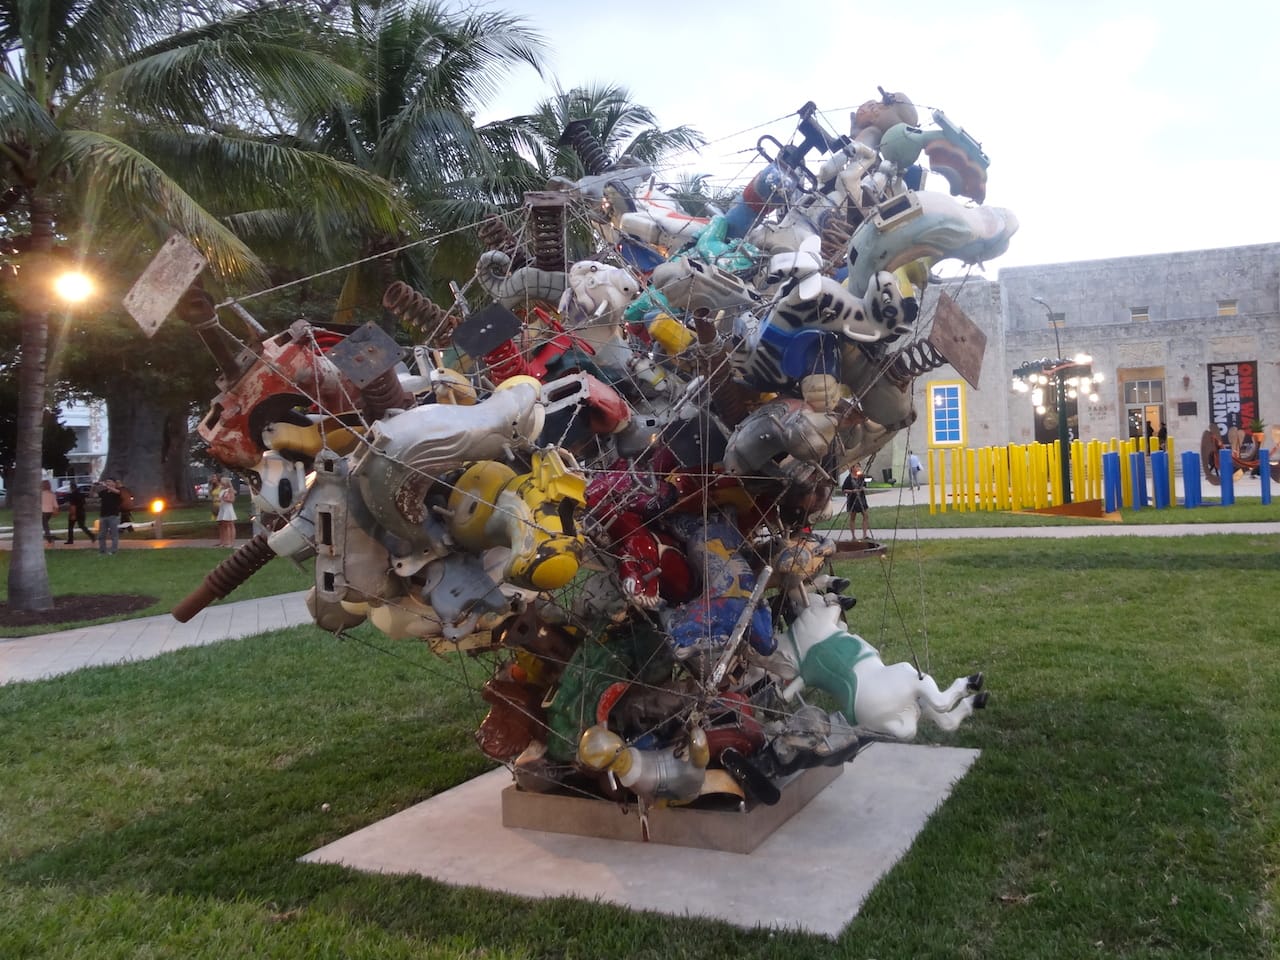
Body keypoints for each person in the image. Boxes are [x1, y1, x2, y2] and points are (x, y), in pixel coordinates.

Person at [842, 466, 871, 542]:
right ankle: (853, 536)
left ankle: (865, 535)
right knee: (853, 517)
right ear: (852, 468)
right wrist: (852, 491)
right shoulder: (849, 478)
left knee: (865, 515)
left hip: (861, 498)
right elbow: (844, 490)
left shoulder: (861, 476)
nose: (858, 468)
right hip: (852, 499)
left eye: (859, 466)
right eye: (857, 467)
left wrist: (863, 488)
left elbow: (864, 484)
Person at [97, 477, 123, 555]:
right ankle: (102, 551)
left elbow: (118, 493)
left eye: (109, 481)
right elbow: (93, 495)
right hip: (103, 515)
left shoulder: (118, 491)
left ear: (114, 483)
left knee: (114, 534)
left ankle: (113, 550)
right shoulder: (104, 492)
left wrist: (106, 486)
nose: (107, 483)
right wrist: (93, 487)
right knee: (101, 535)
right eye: (106, 481)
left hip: (113, 515)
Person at [216, 477, 238, 547]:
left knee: (230, 525)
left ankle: (230, 542)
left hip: (228, 508)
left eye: (222, 482)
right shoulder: (222, 490)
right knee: (223, 525)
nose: (221, 484)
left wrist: (225, 499)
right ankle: (223, 541)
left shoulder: (230, 490)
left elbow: (232, 500)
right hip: (222, 508)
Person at [40, 479, 59, 545]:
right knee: (45, 525)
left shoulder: (40, 494)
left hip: (42, 512)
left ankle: (49, 539)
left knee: (45, 525)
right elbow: (56, 505)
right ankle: (48, 537)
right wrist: (56, 511)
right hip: (49, 512)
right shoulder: (52, 494)